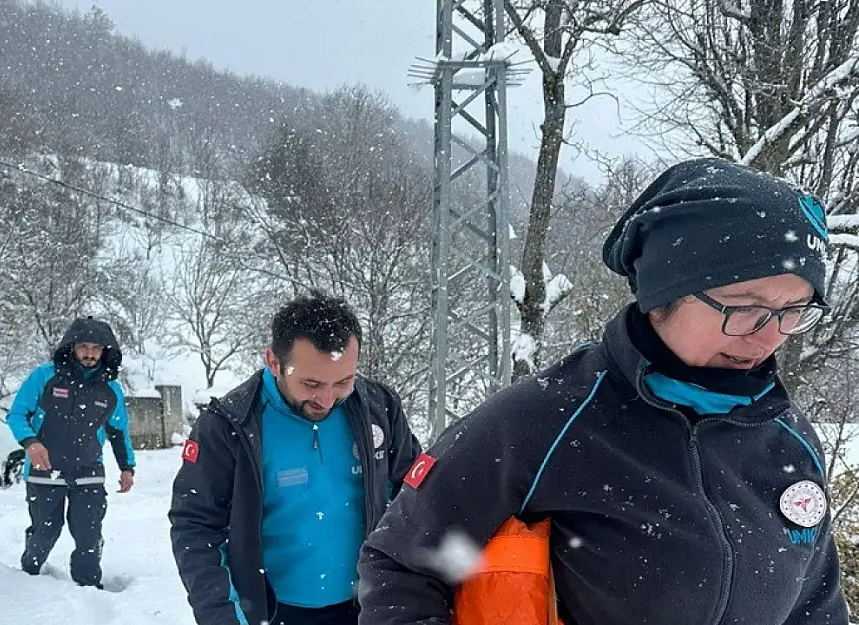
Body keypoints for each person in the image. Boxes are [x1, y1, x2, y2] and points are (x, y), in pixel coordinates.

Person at [357, 158, 849, 624]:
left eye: (794, 311)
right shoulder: (548, 418)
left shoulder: (789, 439)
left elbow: (816, 606)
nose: (770, 337)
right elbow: (402, 561)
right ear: (666, 292)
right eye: (745, 307)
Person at [169, 290, 423, 625]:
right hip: (272, 613)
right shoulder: (228, 425)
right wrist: (223, 616)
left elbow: (415, 501)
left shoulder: (380, 408)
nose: (328, 399)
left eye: (343, 381)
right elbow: (196, 526)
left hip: (365, 609)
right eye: (312, 383)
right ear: (274, 362)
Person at [6, 316, 136, 589]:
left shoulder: (110, 389)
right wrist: (31, 442)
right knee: (45, 531)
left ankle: (89, 587)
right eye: (84, 346)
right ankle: (27, 577)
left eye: (96, 348)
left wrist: (127, 467)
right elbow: (17, 414)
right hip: (45, 470)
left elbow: (119, 430)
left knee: (89, 533)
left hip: (88, 470)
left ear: (105, 351)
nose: (90, 353)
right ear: (72, 347)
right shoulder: (45, 376)